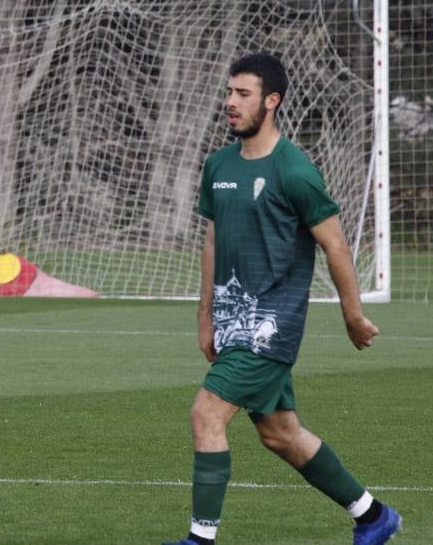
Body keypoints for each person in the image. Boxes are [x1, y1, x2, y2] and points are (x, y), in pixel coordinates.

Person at [163, 53, 400, 545]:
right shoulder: (218, 165)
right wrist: (205, 314)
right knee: (280, 434)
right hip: (231, 321)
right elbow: (213, 240)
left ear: (272, 101)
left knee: (206, 414)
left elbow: (334, 244)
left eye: (242, 94)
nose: (230, 102)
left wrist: (352, 314)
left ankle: (199, 540)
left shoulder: (294, 170)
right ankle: (373, 516)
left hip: (271, 324)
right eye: (229, 92)